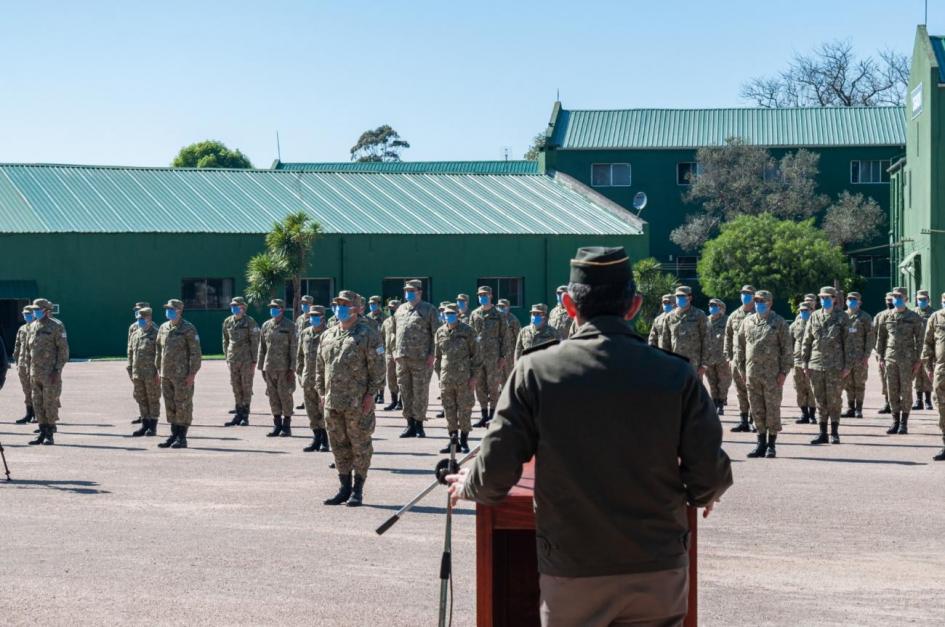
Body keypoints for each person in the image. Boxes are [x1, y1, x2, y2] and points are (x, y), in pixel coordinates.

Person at [446, 246, 732, 627]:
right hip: (656, 569)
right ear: (634, 306)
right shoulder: (675, 375)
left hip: (574, 570)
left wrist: (468, 484)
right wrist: (703, 493)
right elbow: (707, 478)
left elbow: (496, 471)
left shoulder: (537, 371)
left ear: (567, 304)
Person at [317, 291, 385, 507]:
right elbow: (320, 367)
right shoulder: (327, 335)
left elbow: (378, 368)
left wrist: (371, 394)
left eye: (345, 305)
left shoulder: (367, 334)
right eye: (337, 304)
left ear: (356, 308)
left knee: (360, 444)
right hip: (332, 402)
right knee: (338, 445)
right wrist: (321, 391)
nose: (340, 308)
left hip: (357, 402)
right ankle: (343, 488)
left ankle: (358, 490)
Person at [736, 290, 792, 458]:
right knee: (756, 409)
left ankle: (771, 444)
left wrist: (783, 372)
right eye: (757, 300)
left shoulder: (779, 322)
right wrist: (742, 369)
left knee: (772, 409)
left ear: (770, 303)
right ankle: (760, 443)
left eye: (763, 301)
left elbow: (787, 351)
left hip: (772, 376)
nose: (759, 303)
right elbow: (739, 346)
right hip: (752, 374)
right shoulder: (747, 322)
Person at [802, 287, 851, 445]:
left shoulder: (842, 317)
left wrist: (848, 365)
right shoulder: (814, 316)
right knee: (820, 400)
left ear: (835, 298)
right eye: (822, 297)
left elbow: (849, 343)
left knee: (834, 399)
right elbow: (807, 340)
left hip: (835, 366)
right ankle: (822, 432)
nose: (824, 300)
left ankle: (834, 432)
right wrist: (805, 362)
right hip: (816, 364)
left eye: (828, 297)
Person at [876, 288, 924, 435]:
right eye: (894, 296)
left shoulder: (914, 317)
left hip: (907, 359)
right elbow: (881, 338)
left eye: (899, 296)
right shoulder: (886, 316)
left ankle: (904, 423)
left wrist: (918, 360)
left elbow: (920, 340)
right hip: (890, 358)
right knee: (892, 390)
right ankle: (895, 421)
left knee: (906, 391)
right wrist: (880, 356)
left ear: (906, 299)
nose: (896, 299)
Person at [394, 280, 438, 438]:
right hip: (402, 358)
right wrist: (394, 352)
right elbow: (394, 332)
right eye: (406, 290)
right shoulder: (400, 309)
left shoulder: (429, 309)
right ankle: (409, 424)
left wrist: (432, 354)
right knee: (405, 392)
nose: (408, 293)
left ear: (420, 292)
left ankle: (419, 425)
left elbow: (436, 334)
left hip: (420, 359)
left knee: (420, 392)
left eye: (412, 290)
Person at [434, 303, 480, 454]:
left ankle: (464, 440)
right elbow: (438, 358)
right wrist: (440, 377)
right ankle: (453, 441)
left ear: (458, 314)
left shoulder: (468, 331)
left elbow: (477, 357)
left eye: (452, 313)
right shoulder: (440, 332)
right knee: (449, 411)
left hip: (464, 379)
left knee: (465, 410)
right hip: (447, 380)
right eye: (447, 313)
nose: (449, 316)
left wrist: (473, 377)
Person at [155, 299, 201, 449]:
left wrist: (192, 373)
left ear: (179, 311)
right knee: (170, 405)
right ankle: (173, 434)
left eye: (171, 309)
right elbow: (159, 350)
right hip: (166, 374)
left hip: (182, 375)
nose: (168, 311)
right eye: (167, 308)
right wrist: (158, 369)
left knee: (183, 404)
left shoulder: (188, 328)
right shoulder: (163, 328)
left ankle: (182, 437)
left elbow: (195, 353)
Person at [25, 299, 69, 446]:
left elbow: (63, 351)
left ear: (45, 310)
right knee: (37, 404)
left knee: (49, 404)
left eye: (37, 309)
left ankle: (49, 434)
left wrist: (57, 370)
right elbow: (28, 350)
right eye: (34, 310)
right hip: (34, 373)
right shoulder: (31, 326)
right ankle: (41, 431)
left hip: (50, 374)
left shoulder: (56, 326)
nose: (35, 312)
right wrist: (27, 368)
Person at [469, 286, 510, 428]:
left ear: (491, 296)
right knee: (480, 387)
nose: (483, 297)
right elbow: (470, 337)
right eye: (480, 295)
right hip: (478, 357)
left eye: (485, 294)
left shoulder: (498, 315)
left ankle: (493, 415)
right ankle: (483, 415)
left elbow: (505, 336)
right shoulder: (474, 314)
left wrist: (503, 356)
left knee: (493, 386)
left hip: (494, 357)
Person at [259, 299, 298, 438]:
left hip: (284, 368)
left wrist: (292, 368)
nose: (273, 310)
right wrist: (261, 367)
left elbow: (294, 348)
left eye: (275, 307)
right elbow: (262, 347)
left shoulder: (290, 326)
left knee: (285, 396)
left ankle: (286, 426)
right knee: (273, 396)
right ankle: (277, 424)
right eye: (271, 307)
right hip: (269, 366)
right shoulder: (266, 325)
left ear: (282, 309)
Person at [222, 296, 259, 427]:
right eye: (232, 305)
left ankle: (245, 415)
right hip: (233, 359)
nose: (234, 308)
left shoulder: (250, 322)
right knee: (236, 386)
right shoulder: (228, 322)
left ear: (243, 308)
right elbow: (225, 340)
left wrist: (254, 360)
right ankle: (238, 414)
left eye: (236, 306)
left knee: (246, 387)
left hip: (246, 359)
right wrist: (227, 357)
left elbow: (255, 342)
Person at [298, 306, 330, 452]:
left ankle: (325, 440)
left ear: (323, 316)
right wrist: (300, 374)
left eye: (316, 315)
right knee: (311, 411)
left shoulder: (329, 334)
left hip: (323, 380)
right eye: (311, 315)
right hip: (307, 379)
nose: (313, 318)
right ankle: (316, 438)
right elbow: (299, 356)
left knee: (324, 411)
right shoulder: (305, 333)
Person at [659, 286, 709, 377]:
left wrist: (704, 364)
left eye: (682, 296)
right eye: (678, 297)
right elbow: (665, 342)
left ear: (690, 297)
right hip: (674, 364)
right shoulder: (669, 317)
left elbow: (706, 339)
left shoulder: (699, 315)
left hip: (694, 365)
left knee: (694, 390)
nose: (679, 299)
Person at [725, 285, 756, 432]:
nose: (745, 296)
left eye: (748, 293)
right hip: (736, 361)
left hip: (753, 362)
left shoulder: (759, 313)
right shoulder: (734, 315)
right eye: (743, 293)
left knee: (753, 391)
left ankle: (754, 420)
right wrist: (729, 357)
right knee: (740, 391)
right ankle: (743, 420)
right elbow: (728, 336)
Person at [128, 307, 160, 437]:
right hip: (138, 373)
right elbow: (131, 352)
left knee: (152, 399)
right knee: (141, 398)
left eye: (142, 318)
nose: (139, 321)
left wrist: (159, 372)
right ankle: (144, 424)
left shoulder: (157, 333)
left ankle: (153, 427)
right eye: (138, 319)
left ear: (149, 318)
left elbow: (161, 354)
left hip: (151, 373)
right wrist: (130, 368)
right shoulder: (136, 334)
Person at [842, 292, 874, 419]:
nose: (851, 301)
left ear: (860, 302)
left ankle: (859, 409)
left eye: (854, 299)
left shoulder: (865, 317)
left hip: (860, 357)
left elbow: (870, 338)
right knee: (848, 384)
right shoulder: (842, 316)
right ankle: (850, 408)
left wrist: (866, 356)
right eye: (849, 299)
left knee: (859, 383)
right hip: (845, 357)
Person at [921, 292, 945, 460]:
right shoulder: (935, 318)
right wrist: (928, 367)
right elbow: (928, 344)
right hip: (941, 370)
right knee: (942, 408)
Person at [791, 302, 817, 424]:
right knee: (799, 388)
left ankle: (812, 414)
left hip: (812, 362)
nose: (803, 312)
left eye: (806, 310)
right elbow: (789, 342)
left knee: (811, 389)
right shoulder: (794, 325)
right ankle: (804, 413)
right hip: (797, 362)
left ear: (812, 310)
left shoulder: (816, 323)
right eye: (801, 310)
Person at [705, 298, 732, 415]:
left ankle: (721, 403)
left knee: (723, 382)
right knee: (712, 382)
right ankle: (714, 403)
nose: (712, 308)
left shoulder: (727, 321)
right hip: (709, 358)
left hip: (722, 358)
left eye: (715, 306)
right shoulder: (705, 321)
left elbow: (731, 338)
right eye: (711, 305)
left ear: (721, 308)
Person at [127, 301, 150, 425]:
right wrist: (129, 364)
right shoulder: (133, 327)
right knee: (138, 392)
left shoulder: (154, 328)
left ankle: (150, 417)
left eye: (140, 309)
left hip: (148, 369)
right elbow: (130, 347)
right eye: (136, 310)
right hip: (136, 366)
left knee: (150, 394)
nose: (137, 312)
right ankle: (143, 415)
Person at [913, 290, 935, 410]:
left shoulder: (933, 313)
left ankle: (928, 400)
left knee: (927, 374)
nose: (921, 301)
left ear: (928, 300)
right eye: (919, 299)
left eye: (924, 299)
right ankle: (918, 400)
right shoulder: (913, 313)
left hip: (928, 348)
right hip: (915, 348)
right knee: (916, 374)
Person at [13, 307, 35, 425]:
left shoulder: (38, 327)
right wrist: (17, 362)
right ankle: (28, 413)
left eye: (28, 314)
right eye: (24, 314)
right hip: (22, 364)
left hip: (35, 364)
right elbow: (17, 346)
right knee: (26, 390)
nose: (26, 316)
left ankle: (38, 415)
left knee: (37, 390)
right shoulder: (21, 329)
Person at [875, 292, 895, 415]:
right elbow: (875, 334)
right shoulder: (880, 316)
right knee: (884, 379)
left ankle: (897, 404)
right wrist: (878, 352)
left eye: (891, 300)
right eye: (887, 300)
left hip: (897, 353)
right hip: (883, 353)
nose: (889, 302)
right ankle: (888, 403)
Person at [381, 299, 401, 411]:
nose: (391, 310)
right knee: (391, 378)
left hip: (400, 354)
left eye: (394, 308)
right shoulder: (386, 322)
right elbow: (382, 338)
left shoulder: (403, 321)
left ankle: (402, 402)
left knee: (401, 379)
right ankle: (394, 401)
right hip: (389, 354)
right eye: (390, 308)